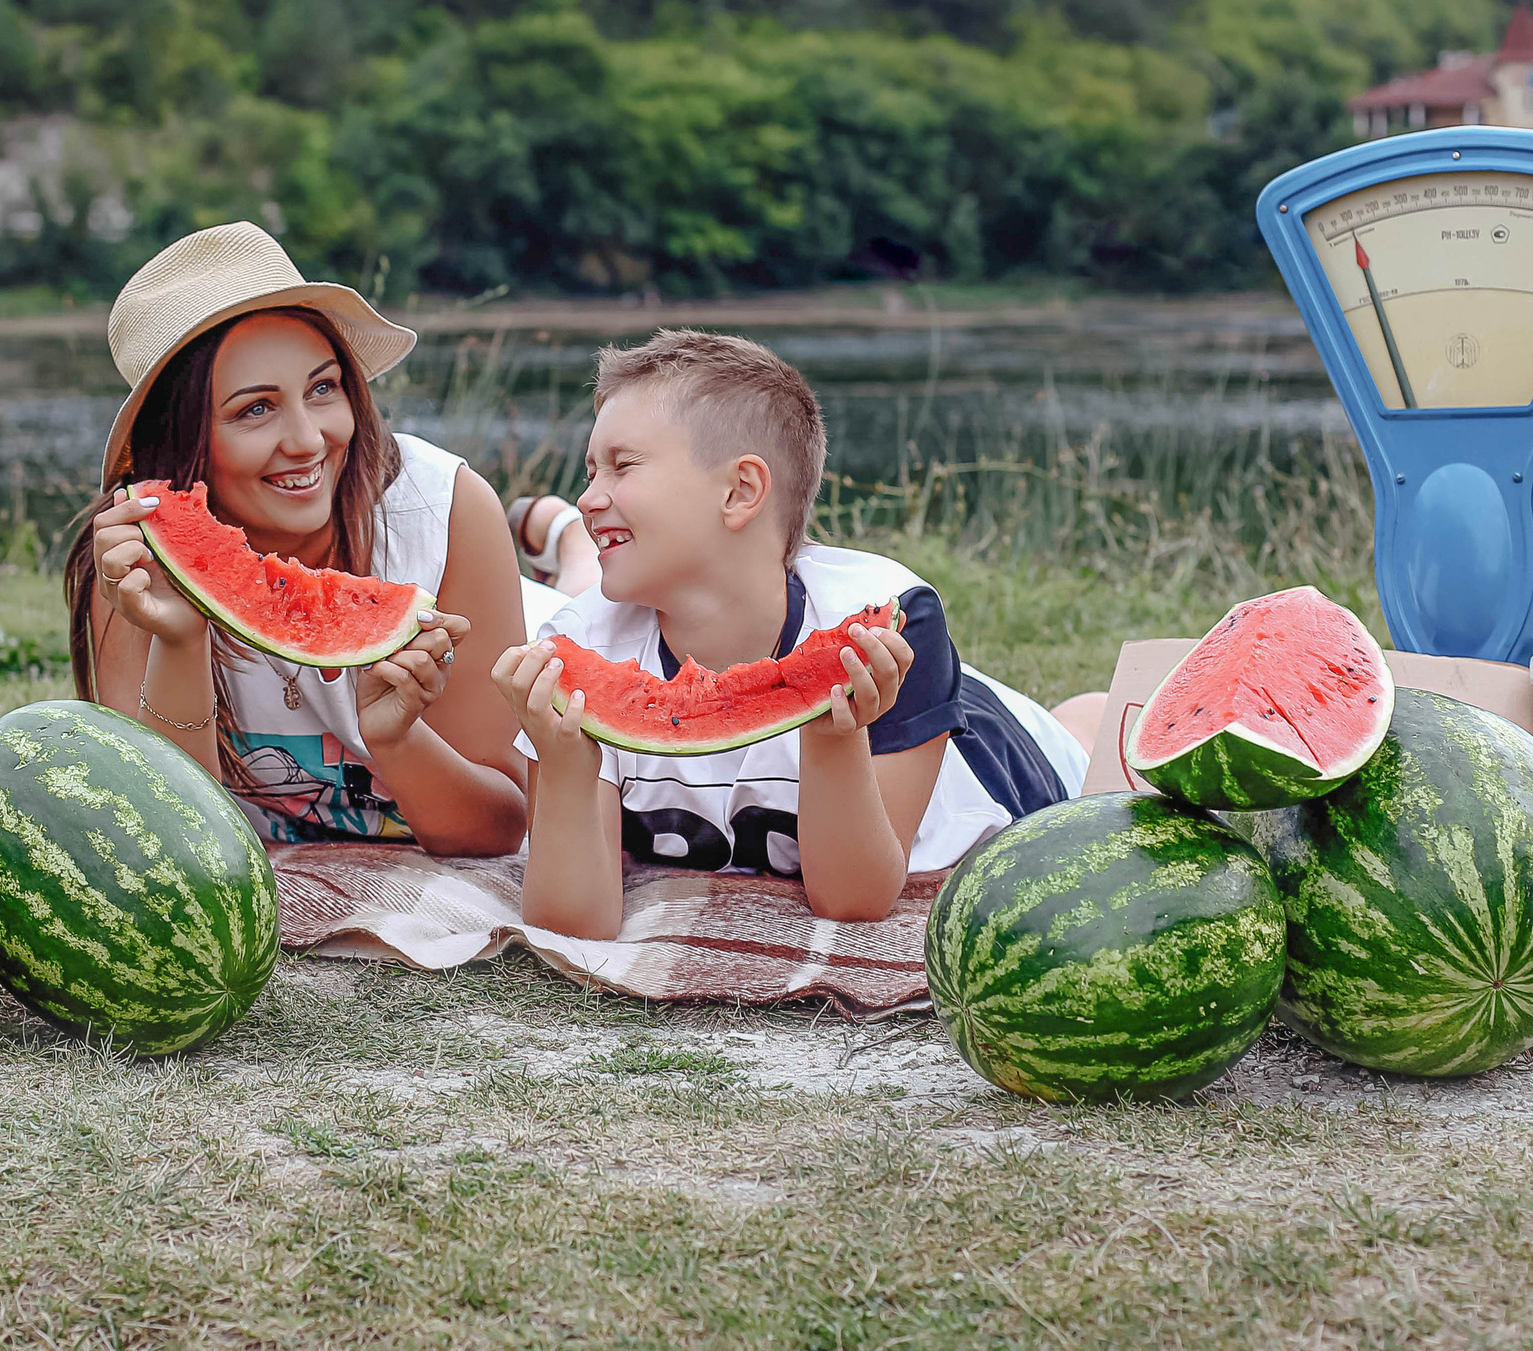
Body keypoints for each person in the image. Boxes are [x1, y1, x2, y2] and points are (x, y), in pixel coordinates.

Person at [492, 330, 1099, 939]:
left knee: (1085, 739)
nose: (590, 495)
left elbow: (853, 901)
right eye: (590, 472)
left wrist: (835, 739)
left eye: (622, 466)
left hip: (992, 755)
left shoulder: (886, 622)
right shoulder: (579, 647)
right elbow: (572, 922)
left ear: (740, 491)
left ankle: (1082, 717)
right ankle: (567, 541)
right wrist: (565, 767)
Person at [65, 222, 528, 855]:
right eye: (255, 409)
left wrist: (397, 740)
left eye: (322, 388)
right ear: (181, 441)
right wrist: (181, 639)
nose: (309, 440)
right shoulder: (136, 557)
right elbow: (174, 844)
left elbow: (501, 827)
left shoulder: (446, 511)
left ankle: (557, 533)